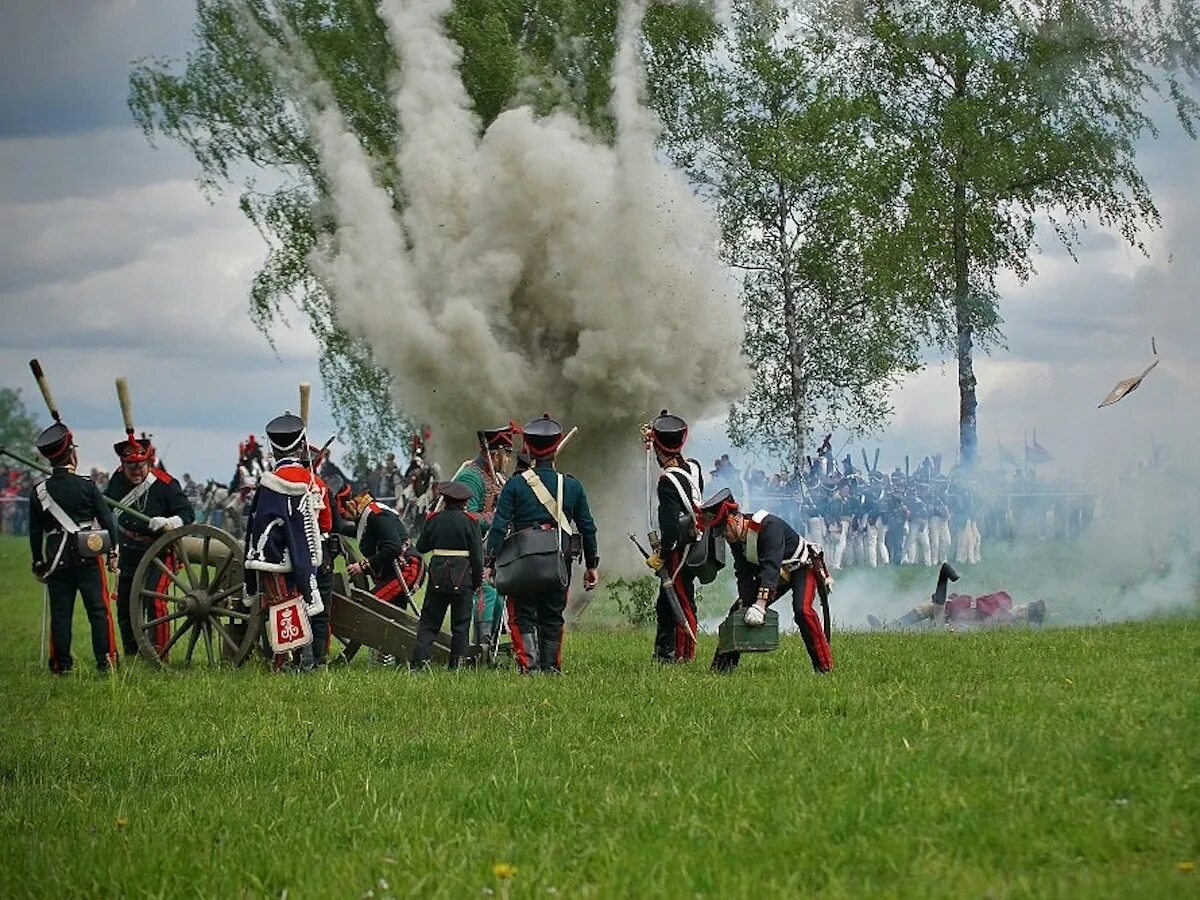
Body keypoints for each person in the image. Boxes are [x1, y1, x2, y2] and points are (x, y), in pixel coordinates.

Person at [485, 414, 599, 674]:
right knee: (553, 615)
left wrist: (489, 562)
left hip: (522, 561)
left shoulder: (514, 485)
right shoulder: (572, 485)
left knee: (521, 614)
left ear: (528, 446)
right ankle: (551, 667)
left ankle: (529, 666)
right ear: (556, 444)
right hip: (559, 560)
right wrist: (592, 564)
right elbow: (588, 528)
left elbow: (499, 526)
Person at [698, 488, 833, 675]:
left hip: (801, 567)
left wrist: (760, 605)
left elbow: (770, 566)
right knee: (737, 611)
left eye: (724, 530)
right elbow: (743, 572)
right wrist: (746, 602)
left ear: (735, 520)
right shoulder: (735, 538)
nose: (724, 536)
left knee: (803, 611)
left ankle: (824, 668)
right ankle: (721, 669)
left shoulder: (768, 526)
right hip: (776, 575)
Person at [28, 421, 120, 674]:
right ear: (72, 454)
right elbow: (108, 520)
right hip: (87, 554)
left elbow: (35, 531)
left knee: (60, 614)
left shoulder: (39, 491)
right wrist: (113, 552)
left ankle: (61, 665)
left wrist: (38, 562)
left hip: (55, 557)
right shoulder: (87, 486)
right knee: (99, 611)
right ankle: (107, 661)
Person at [243, 414, 326, 670]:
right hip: (310, 555)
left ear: (272, 448)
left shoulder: (269, 484)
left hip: (277, 557)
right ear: (302, 445)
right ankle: (309, 660)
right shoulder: (315, 482)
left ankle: (284, 661)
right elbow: (325, 523)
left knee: (282, 605)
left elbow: (256, 524)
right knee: (305, 602)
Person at [105, 431, 194, 659]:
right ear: (123, 465)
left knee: (155, 599)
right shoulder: (116, 481)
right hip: (129, 550)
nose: (136, 471)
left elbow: (187, 513)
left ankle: (158, 653)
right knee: (125, 605)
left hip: (159, 551)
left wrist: (170, 522)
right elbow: (106, 508)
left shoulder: (165, 484)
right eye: (130, 467)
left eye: (140, 466)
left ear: (148, 462)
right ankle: (133, 653)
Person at [641, 410, 704, 663]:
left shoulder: (667, 480)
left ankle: (683, 655)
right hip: (695, 544)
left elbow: (669, 527)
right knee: (665, 603)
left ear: (659, 448)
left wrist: (662, 555)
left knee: (681, 601)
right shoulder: (694, 468)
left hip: (678, 550)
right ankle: (663, 655)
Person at [451, 424, 516, 648]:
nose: (508, 460)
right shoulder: (471, 477)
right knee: (486, 591)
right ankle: (480, 647)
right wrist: (495, 516)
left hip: (485, 551)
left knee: (498, 595)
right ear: (496, 454)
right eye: (507, 454)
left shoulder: (495, 478)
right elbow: (465, 519)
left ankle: (490, 646)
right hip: (465, 552)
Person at [411, 481, 484, 669]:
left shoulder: (434, 519)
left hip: (438, 573)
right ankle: (456, 666)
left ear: (445, 499)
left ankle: (420, 663)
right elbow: (477, 557)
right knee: (460, 625)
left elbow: (421, 547)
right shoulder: (471, 522)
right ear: (464, 503)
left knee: (429, 623)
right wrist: (477, 581)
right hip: (463, 576)